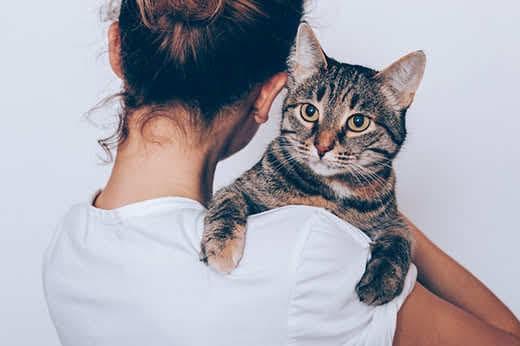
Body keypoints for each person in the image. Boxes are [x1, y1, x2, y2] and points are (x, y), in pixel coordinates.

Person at [43, 1, 520, 345]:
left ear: (117, 49)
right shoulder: (310, 249)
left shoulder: (67, 246)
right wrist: (388, 220)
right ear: (270, 96)